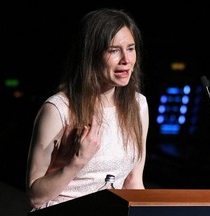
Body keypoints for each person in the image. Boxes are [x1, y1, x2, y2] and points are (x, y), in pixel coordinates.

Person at [26, 8, 149, 210]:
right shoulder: (58, 110)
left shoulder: (138, 106)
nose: (127, 60)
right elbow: (36, 197)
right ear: (90, 54)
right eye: (114, 50)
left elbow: (134, 183)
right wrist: (77, 162)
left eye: (131, 48)